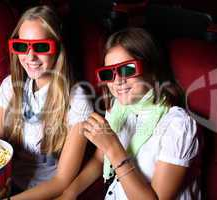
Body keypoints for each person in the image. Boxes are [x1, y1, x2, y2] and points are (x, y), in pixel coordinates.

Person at [0, 5, 93, 200]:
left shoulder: (78, 100)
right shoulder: (9, 86)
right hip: (3, 185)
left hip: (42, 193)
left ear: (58, 47)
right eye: (21, 46)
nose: (30, 56)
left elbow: (61, 181)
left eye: (41, 47)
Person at [58, 28, 200, 200]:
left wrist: (113, 148)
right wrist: (69, 194)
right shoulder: (119, 107)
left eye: (127, 70)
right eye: (108, 73)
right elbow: (100, 159)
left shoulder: (178, 125)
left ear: (152, 68)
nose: (117, 81)